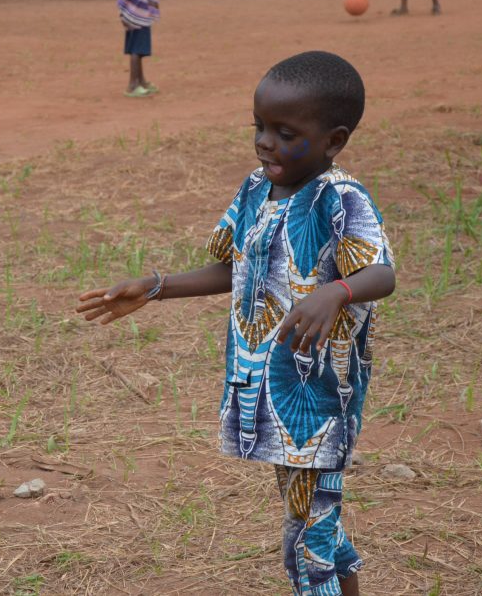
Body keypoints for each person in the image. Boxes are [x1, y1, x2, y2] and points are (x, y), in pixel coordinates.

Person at [77, 51, 396, 596]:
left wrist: (334, 292)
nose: (265, 141)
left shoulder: (339, 197)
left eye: (284, 131)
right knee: (315, 522)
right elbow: (233, 266)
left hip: (315, 399)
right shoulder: (255, 188)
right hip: (264, 390)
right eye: (259, 126)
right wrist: (155, 286)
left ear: (333, 140)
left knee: (305, 543)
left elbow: (381, 272)